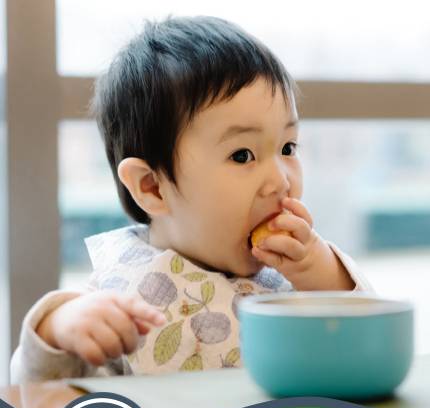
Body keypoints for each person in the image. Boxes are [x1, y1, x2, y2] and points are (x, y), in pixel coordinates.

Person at [10, 15, 372, 383]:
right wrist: (56, 328)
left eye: (287, 147)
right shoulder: (120, 300)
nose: (280, 181)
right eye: (242, 155)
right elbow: (41, 395)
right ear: (152, 186)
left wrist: (325, 273)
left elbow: (368, 344)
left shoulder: (297, 281)